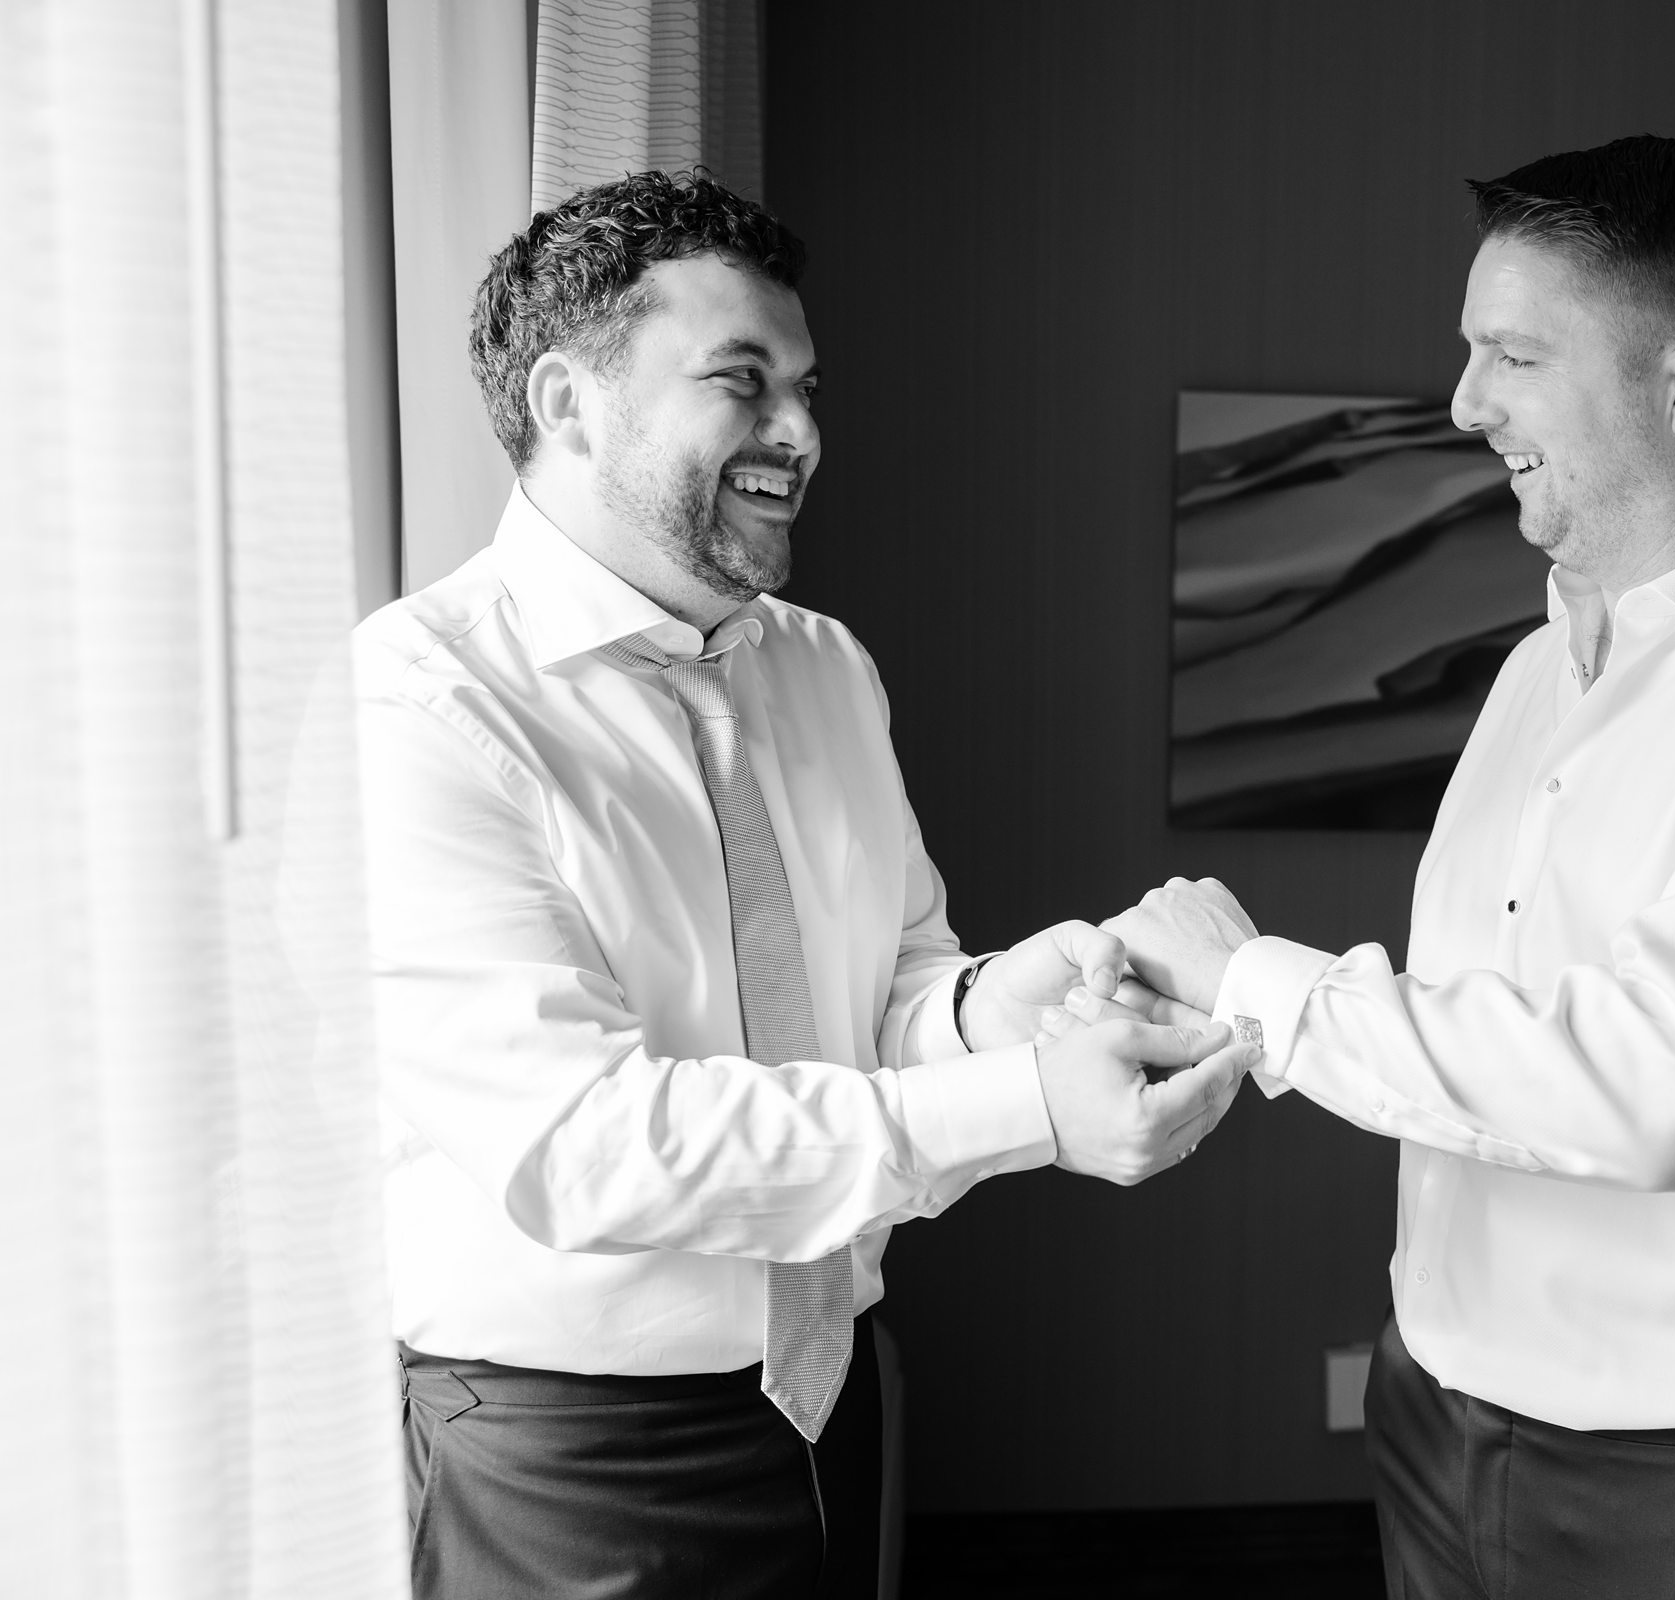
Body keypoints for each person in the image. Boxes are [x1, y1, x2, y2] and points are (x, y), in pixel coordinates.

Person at [1095, 137, 1675, 1598]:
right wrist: (1217, 1010)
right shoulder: (1535, 671)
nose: (1467, 404)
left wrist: (1272, 987)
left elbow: (1669, 1093)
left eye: (1513, 355)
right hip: (1438, 1420)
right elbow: (1510, 1031)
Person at [352, 170, 1251, 1600]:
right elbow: (584, 1142)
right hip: (570, 1448)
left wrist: (994, 1008)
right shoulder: (415, 700)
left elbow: (885, 993)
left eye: (808, 388)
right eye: (744, 382)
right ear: (569, 402)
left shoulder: (827, 667)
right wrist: (1030, 1109)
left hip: (834, 1402)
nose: (804, 433)